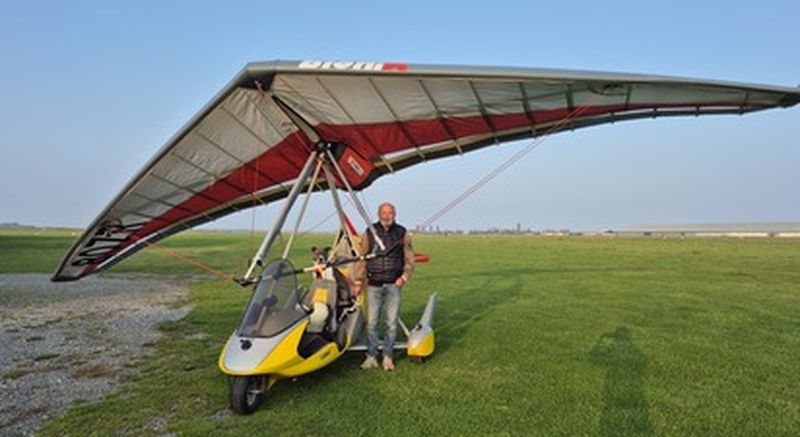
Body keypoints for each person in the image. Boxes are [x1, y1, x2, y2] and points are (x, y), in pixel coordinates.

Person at [353, 202, 414, 371]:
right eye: (384, 213)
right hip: (373, 284)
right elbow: (362, 257)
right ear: (379, 214)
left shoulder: (403, 233)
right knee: (372, 323)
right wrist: (358, 280)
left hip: (394, 284)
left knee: (391, 323)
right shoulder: (369, 232)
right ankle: (372, 356)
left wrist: (404, 277)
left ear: (394, 214)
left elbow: (409, 259)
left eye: (390, 213)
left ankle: (387, 356)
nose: (387, 216)